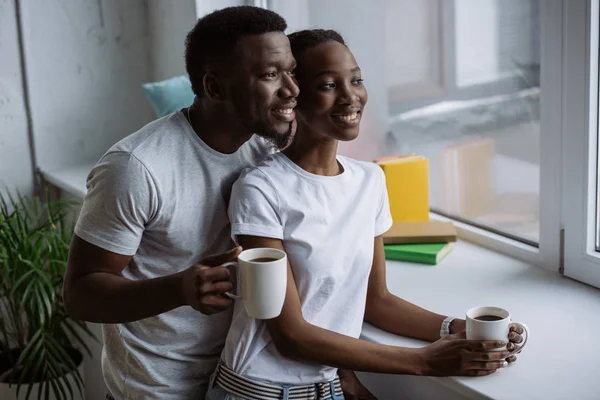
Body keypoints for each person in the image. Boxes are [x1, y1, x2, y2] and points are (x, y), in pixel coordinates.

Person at [206, 29, 524, 400]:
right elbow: (290, 334)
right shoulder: (261, 189)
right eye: (328, 84)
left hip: (328, 389)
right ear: (295, 95)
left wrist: (457, 329)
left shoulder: (369, 180)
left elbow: (377, 301)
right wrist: (424, 361)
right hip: (256, 392)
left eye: (356, 79)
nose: (350, 96)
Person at [62, 6, 299, 399]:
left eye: (291, 71)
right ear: (214, 88)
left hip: (239, 382)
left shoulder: (266, 147)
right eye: (270, 75)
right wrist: (180, 289)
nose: (291, 88)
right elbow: (80, 294)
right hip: (158, 391)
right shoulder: (137, 167)